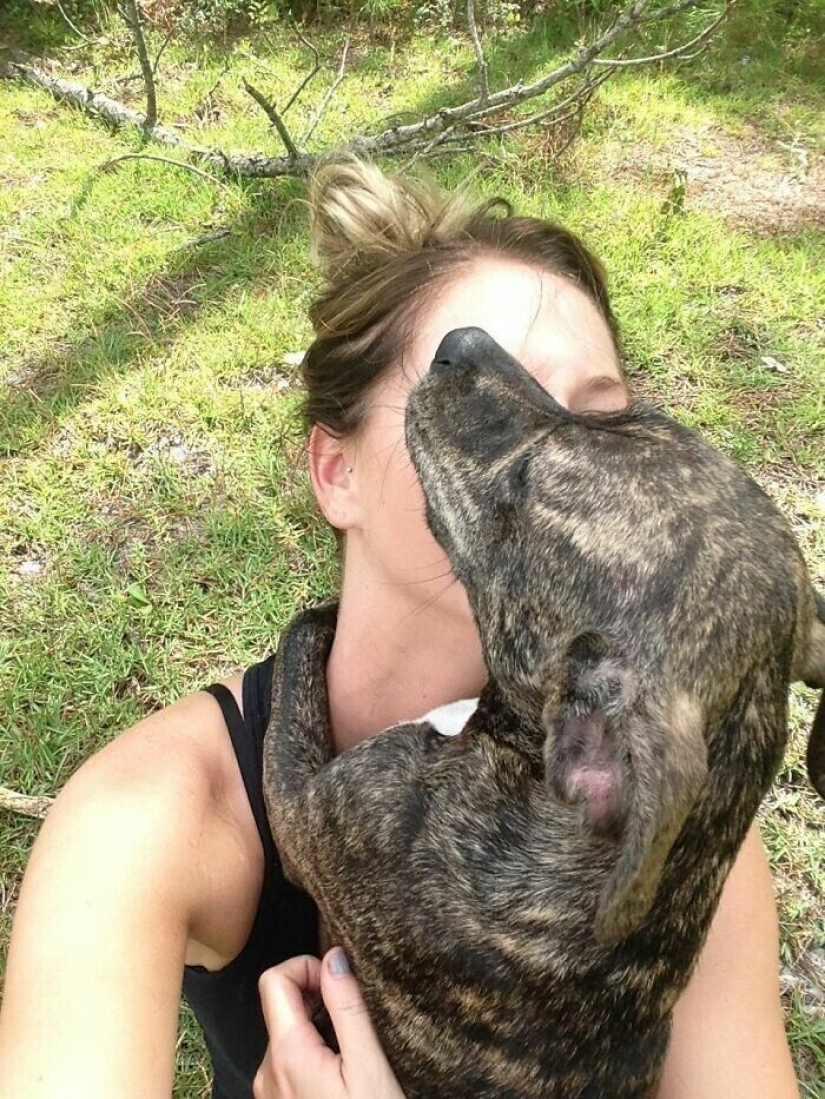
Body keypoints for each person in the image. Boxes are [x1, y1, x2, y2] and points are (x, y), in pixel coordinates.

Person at [0, 158, 799, 1099]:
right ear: (336, 474)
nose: (564, 458)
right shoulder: (147, 818)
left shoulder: (653, 801)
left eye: (600, 420)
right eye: (469, 390)